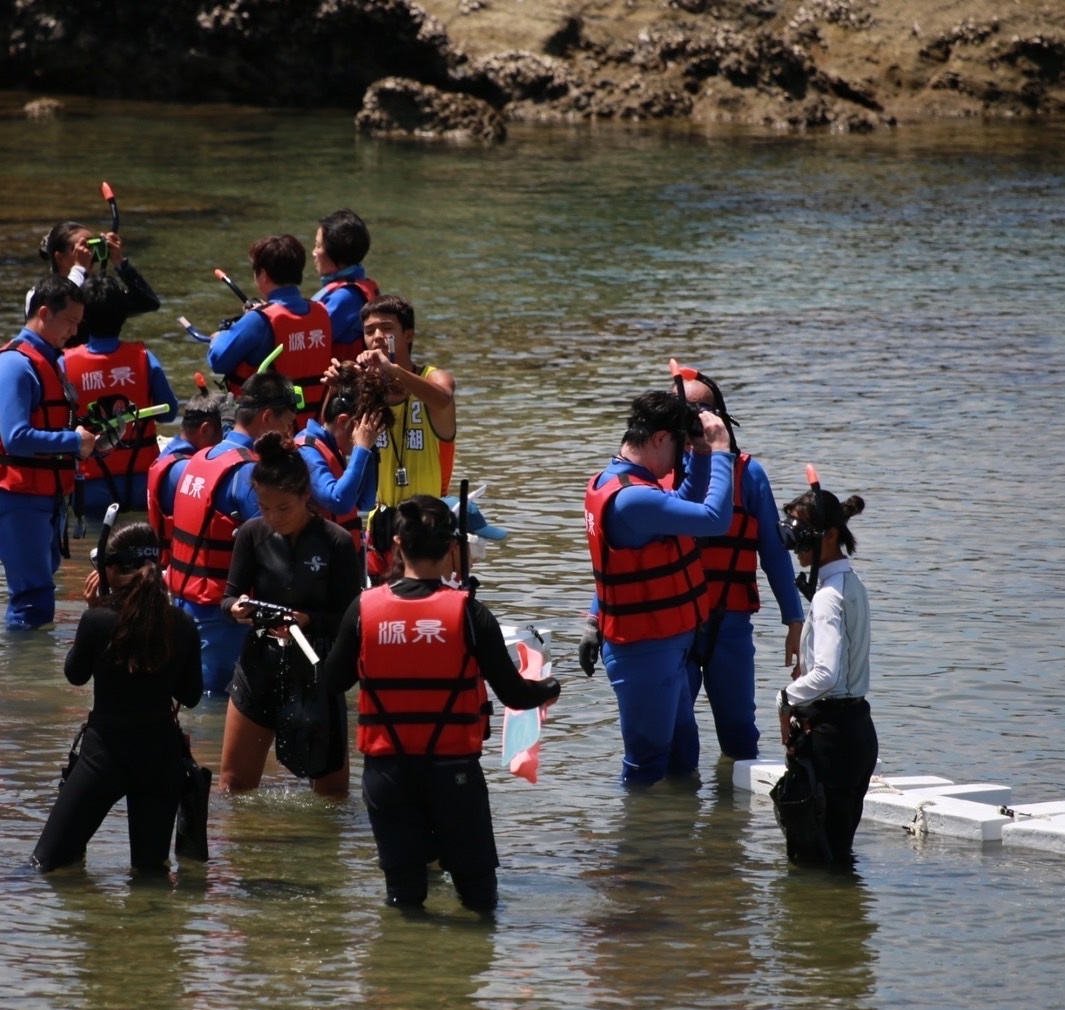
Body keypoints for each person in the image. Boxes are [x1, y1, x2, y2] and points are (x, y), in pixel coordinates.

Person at [323, 495, 560, 912]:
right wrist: (550, 687)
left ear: (397, 544)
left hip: (387, 774)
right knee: (479, 897)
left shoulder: (364, 608)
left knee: (404, 897)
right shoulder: (470, 613)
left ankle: (407, 968)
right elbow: (514, 694)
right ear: (454, 547)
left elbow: (332, 681)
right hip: (453, 775)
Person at [577, 389, 735, 786]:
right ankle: (638, 846)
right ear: (660, 439)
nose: (678, 460)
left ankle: (679, 842)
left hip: (666, 647)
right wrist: (720, 454)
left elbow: (682, 504)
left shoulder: (621, 482)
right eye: (679, 448)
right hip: (643, 652)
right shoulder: (631, 499)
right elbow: (714, 519)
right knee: (646, 766)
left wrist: (699, 457)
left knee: (683, 760)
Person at [32, 522, 203, 872]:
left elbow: (75, 675)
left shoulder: (97, 621)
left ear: (109, 571)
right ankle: (148, 923)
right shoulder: (181, 624)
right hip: (160, 758)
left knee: (46, 865)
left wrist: (93, 609)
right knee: (151, 873)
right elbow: (191, 694)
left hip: (104, 756)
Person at [219, 433, 362, 795]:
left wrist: (307, 621)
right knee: (234, 786)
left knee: (332, 796)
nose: (273, 517)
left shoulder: (337, 542)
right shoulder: (252, 535)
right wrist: (235, 609)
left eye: (283, 508)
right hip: (258, 667)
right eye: (264, 508)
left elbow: (351, 619)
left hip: (316, 671)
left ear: (305, 496)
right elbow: (228, 597)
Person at [678, 376, 805, 763]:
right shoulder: (659, 470)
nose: (691, 422)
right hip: (674, 625)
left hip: (729, 623)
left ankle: (731, 821)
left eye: (699, 413)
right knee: (676, 736)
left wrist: (794, 621)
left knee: (739, 736)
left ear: (718, 418)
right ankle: (672, 819)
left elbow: (774, 551)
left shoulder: (748, 474)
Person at [0, 275, 98, 631]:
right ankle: (20, 682)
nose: (74, 332)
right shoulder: (15, 364)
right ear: (44, 313)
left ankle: (27, 677)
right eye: (70, 321)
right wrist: (74, 442)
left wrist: (93, 441)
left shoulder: (48, 360)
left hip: (42, 492)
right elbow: (15, 437)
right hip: (16, 493)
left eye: (79, 322)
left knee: (39, 595)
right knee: (32, 599)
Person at [167, 371, 298, 699]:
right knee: (220, 710)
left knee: (189, 702)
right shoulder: (248, 473)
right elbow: (275, 552)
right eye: (287, 424)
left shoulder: (197, 459)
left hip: (182, 607)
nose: (289, 434)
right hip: (223, 620)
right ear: (267, 418)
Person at [776, 485, 874, 863]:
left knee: (816, 863)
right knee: (838, 857)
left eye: (802, 535)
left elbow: (828, 674)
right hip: (857, 732)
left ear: (831, 536)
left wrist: (784, 700)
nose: (795, 544)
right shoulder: (851, 585)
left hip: (832, 740)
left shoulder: (829, 597)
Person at [353, 295, 456, 581]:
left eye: (386, 329)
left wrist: (392, 369)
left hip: (426, 520)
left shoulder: (435, 378)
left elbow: (444, 397)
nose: (377, 337)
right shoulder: (367, 388)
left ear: (408, 335)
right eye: (369, 331)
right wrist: (339, 384)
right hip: (382, 521)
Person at [63, 273, 180, 520]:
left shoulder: (64, 363)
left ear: (82, 317)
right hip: (142, 485)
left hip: (89, 488)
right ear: (124, 316)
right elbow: (169, 412)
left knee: (90, 554)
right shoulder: (144, 358)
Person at [207, 234, 332, 428]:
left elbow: (218, 360)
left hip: (270, 435)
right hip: (312, 429)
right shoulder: (321, 312)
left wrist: (218, 337)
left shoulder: (259, 320)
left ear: (263, 275)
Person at [294, 362, 386, 553]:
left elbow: (366, 502)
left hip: (342, 562)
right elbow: (339, 502)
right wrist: (361, 448)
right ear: (343, 421)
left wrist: (370, 448)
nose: (365, 436)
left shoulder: (337, 450)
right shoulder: (306, 450)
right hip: (316, 565)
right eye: (362, 430)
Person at [24, 220, 161, 333]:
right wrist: (79, 269)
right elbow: (60, 301)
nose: (89, 255)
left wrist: (120, 263)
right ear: (59, 258)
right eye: (80, 249)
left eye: (92, 246)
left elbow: (148, 303)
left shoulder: (97, 293)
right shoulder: (38, 295)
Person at [146, 388, 226, 558]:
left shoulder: (170, 454)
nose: (229, 442)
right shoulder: (185, 470)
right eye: (226, 432)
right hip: (179, 571)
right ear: (205, 430)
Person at [310, 208, 378, 363]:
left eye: (318, 246)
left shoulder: (346, 297)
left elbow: (306, 339)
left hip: (341, 384)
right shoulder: (351, 289)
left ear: (336, 253)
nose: (314, 252)